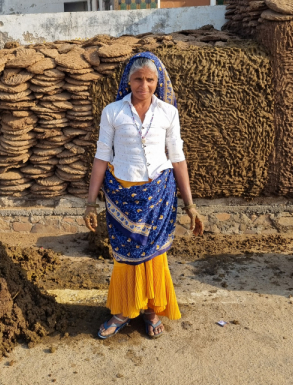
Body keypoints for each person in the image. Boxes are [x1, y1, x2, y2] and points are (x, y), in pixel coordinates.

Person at [84, 52, 204, 339]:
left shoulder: (168, 113)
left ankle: (151, 310)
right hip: (123, 195)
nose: (144, 85)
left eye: (150, 79)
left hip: (159, 195)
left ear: (157, 81)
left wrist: (190, 205)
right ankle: (124, 310)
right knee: (126, 257)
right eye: (138, 79)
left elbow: (177, 159)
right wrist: (90, 203)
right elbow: (101, 158)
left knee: (154, 257)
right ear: (129, 80)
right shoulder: (113, 112)